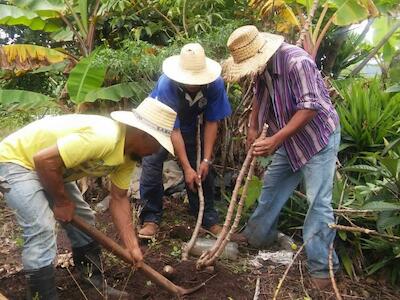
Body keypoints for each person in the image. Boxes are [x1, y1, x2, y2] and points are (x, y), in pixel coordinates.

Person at [0, 97, 176, 299]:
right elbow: (43, 160)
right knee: (41, 227)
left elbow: (119, 198)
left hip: (53, 168)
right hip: (17, 161)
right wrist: (62, 202)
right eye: (157, 145)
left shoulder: (128, 155)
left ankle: (93, 287)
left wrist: (132, 246)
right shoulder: (104, 137)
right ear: (143, 135)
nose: (156, 151)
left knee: (85, 220)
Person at [223, 25, 341, 289]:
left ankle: (323, 268)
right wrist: (253, 128)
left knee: (318, 202)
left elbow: (310, 108)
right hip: (290, 140)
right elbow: (258, 97)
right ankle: (258, 236)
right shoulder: (261, 68)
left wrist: (275, 139)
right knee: (272, 186)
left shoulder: (297, 62)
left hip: (317, 138)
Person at [138, 43, 232, 239]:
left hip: (187, 126)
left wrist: (205, 160)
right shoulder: (167, 84)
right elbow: (173, 128)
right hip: (157, 124)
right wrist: (186, 167)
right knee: (152, 164)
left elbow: (212, 121)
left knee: (201, 169)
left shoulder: (215, 85)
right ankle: (150, 217)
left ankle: (208, 218)